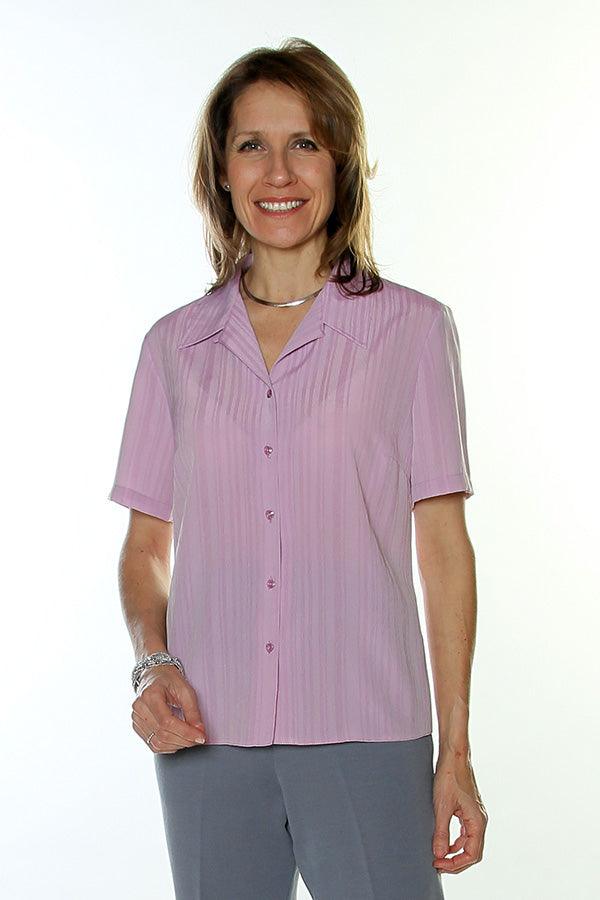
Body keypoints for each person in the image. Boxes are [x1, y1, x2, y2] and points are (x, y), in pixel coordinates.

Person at [108, 36, 488, 900]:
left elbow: (443, 548)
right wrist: (151, 662)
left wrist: (457, 749)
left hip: (368, 730)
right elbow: (145, 548)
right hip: (206, 738)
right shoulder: (173, 348)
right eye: (252, 145)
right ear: (222, 170)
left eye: (304, 143)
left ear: (341, 163)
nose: (278, 172)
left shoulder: (413, 332)